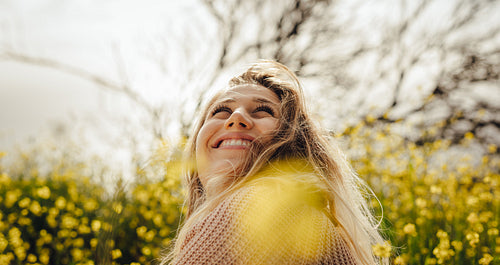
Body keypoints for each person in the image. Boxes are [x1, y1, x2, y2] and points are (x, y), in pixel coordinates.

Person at [161, 60, 388, 265]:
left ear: (293, 142)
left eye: (262, 111)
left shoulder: (255, 206)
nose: (236, 117)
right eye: (221, 111)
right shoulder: (303, 216)